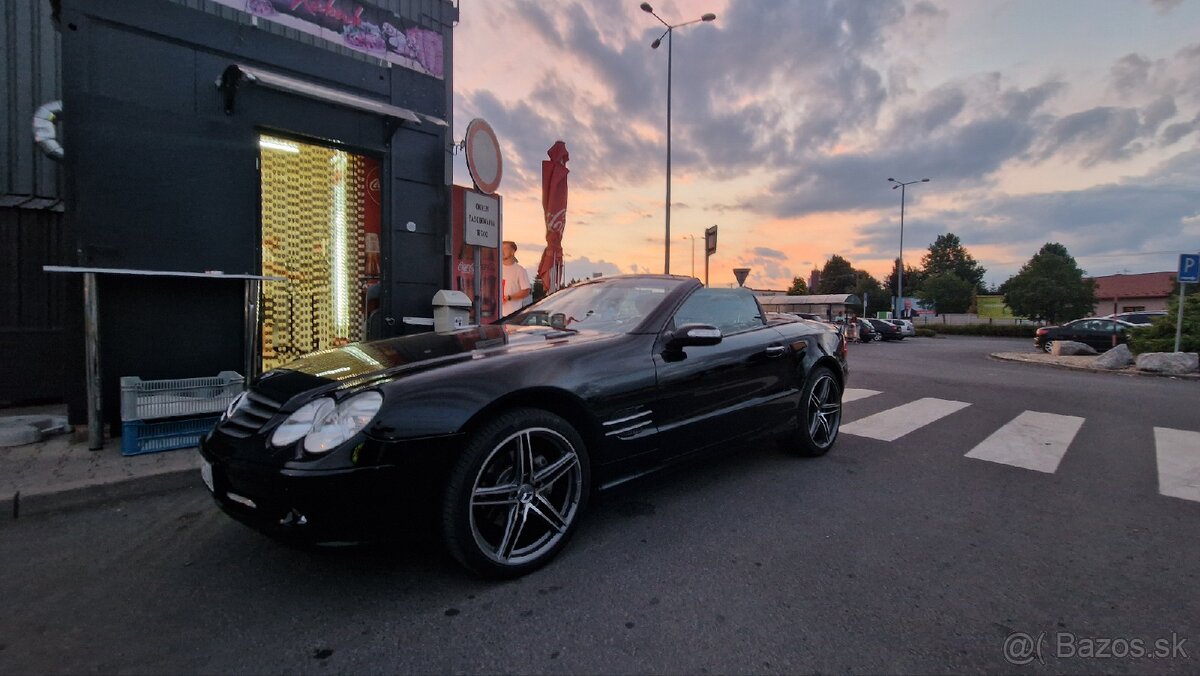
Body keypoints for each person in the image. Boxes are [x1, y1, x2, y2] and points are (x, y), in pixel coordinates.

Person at [501, 240, 532, 316]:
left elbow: (526, 291)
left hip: (512, 315)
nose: (502, 251)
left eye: (505, 249)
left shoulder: (520, 270)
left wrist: (509, 297)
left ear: (512, 252)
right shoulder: (496, 268)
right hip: (495, 315)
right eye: (501, 248)